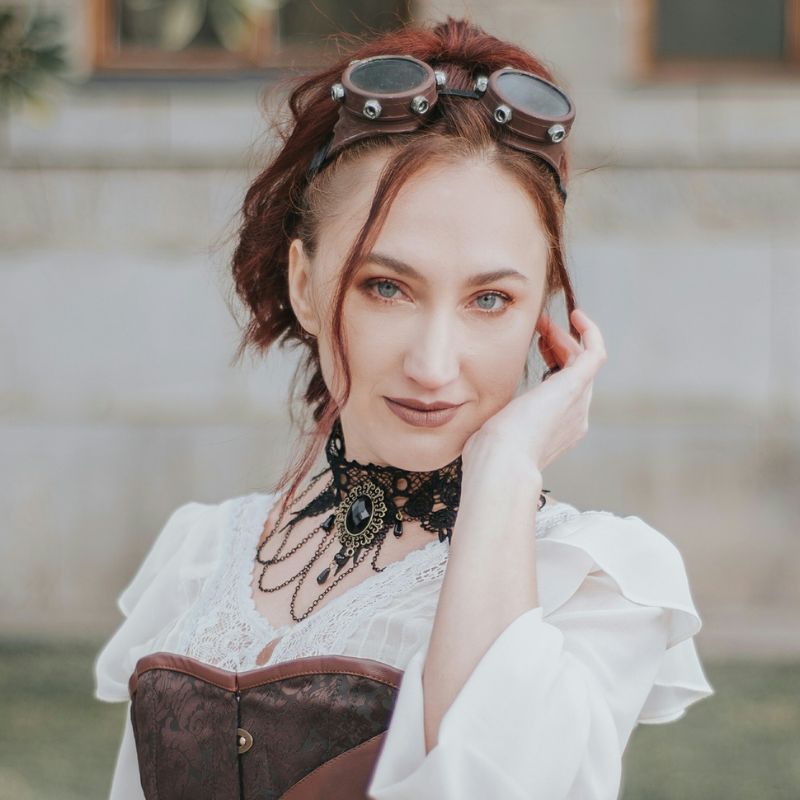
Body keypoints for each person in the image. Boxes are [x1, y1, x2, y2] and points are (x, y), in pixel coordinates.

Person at [93, 16, 715, 800]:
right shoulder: (201, 553)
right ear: (304, 285)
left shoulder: (590, 582)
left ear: (541, 317)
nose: (432, 364)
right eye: (386, 286)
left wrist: (503, 472)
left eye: (490, 299)